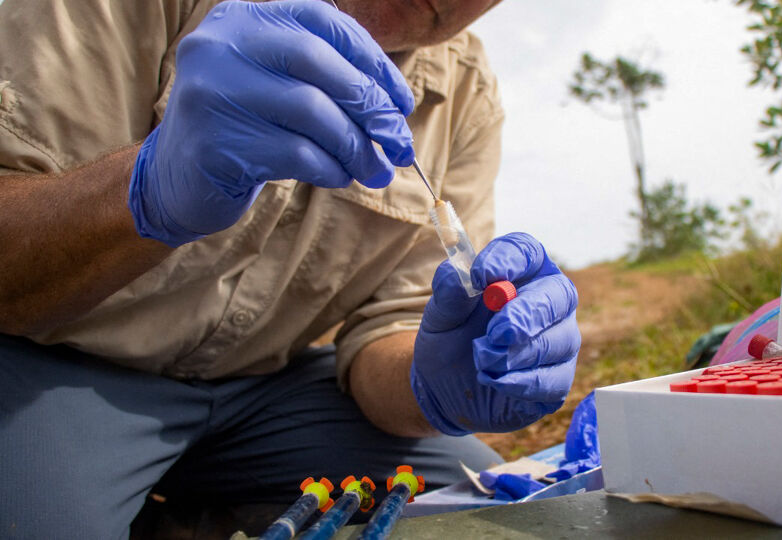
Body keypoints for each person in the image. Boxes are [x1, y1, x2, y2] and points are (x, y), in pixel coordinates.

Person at [0, 0, 581, 537]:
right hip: (47, 367)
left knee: (478, 501)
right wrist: (143, 188)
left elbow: (395, 324)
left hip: (260, 394)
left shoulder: (467, 92)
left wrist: (439, 382)